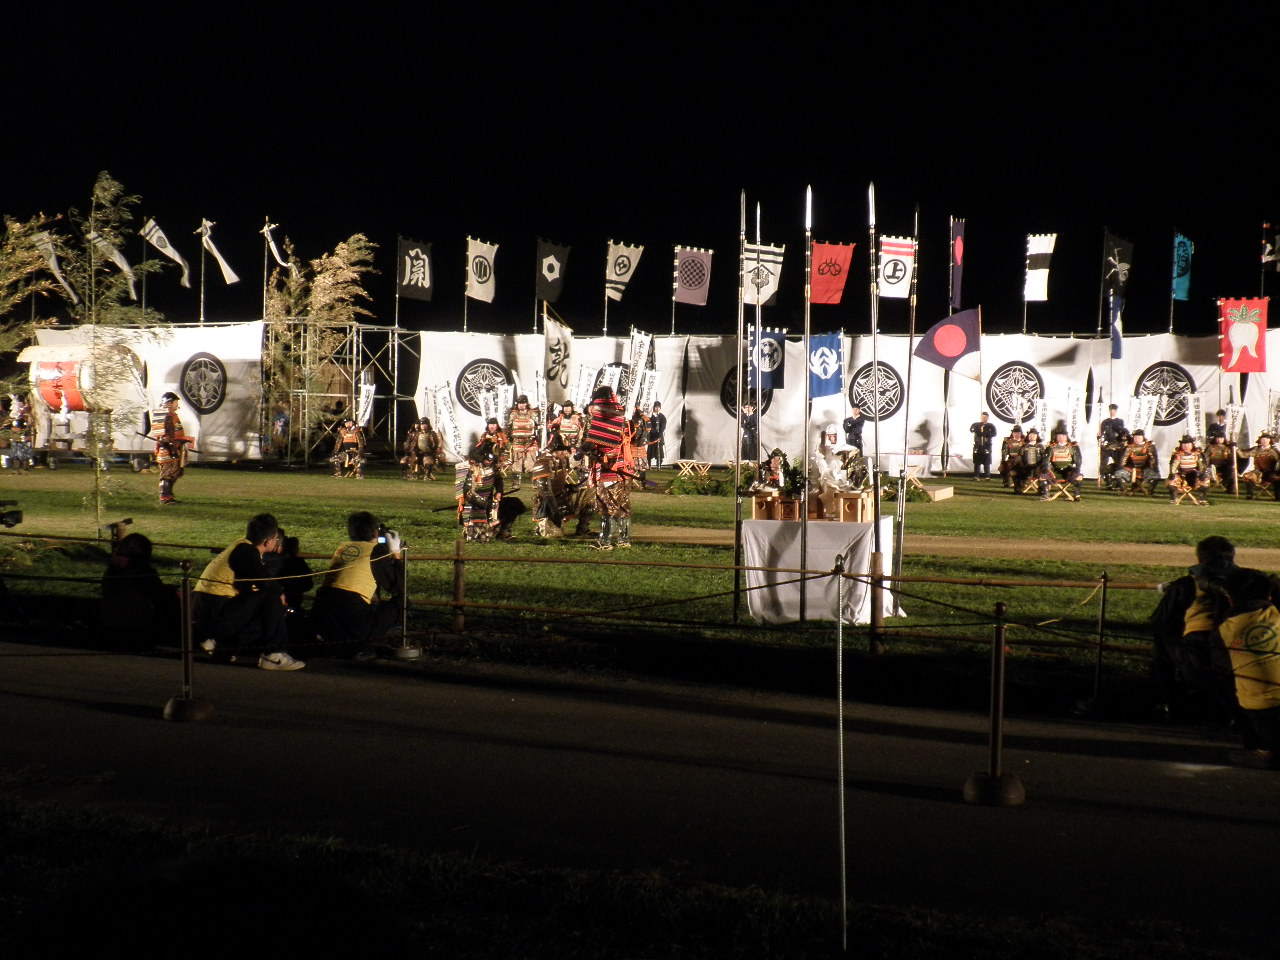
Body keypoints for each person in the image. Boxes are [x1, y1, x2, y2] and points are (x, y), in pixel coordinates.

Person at [193, 513, 304, 670]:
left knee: (268, 608)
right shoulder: (246, 551)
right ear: (268, 541)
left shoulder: (241, 547)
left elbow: (253, 583)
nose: (276, 543)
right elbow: (262, 581)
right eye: (276, 539)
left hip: (208, 609)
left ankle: (224, 646)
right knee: (271, 598)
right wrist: (279, 593)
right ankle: (273, 653)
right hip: (215, 612)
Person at [1149, 535, 1239, 723]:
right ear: (1232, 558)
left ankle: (1169, 702)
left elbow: (1161, 621)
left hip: (1199, 650)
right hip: (1240, 647)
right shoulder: (1247, 582)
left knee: (1161, 642)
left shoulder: (1187, 584)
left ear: (1200, 559)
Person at [311, 512, 403, 659]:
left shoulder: (343, 548)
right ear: (376, 532)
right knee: (401, 602)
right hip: (351, 614)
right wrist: (396, 554)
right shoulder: (375, 551)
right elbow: (399, 587)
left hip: (324, 614)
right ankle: (361, 645)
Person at [1218, 566, 1280, 768]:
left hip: (1260, 710)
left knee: (1227, 683)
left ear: (1230, 599)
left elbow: (1221, 668)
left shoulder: (1224, 629)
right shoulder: (1276, 614)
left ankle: (1264, 748)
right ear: (1269, 595)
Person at [99, 533, 179, 649]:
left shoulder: (113, 569)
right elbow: (159, 594)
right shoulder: (141, 572)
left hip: (110, 626)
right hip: (134, 629)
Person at [585, 386, 634, 550]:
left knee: (607, 506)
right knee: (623, 505)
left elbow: (594, 446)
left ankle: (605, 541)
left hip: (610, 471)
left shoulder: (603, 421)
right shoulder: (623, 420)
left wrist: (585, 449)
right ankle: (624, 540)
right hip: (625, 470)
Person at [151, 391, 194, 504]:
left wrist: (181, 441)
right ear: (170, 402)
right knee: (167, 474)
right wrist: (171, 448)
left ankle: (169, 496)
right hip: (167, 450)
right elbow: (162, 437)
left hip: (174, 448)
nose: (177, 404)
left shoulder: (171, 415)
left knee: (174, 474)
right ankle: (165, 497)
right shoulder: (164, 415)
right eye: (175, 402)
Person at [506, 395, 540, 492]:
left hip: (530, 442)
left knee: (531, 463)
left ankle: (535, 483)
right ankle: (516, 483)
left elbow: (539, 426)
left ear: (526, 404)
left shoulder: (532, 414)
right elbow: (509, 427)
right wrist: (510, 438)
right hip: (517, 442)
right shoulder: (513, 414)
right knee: (516, 463)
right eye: (519, 403)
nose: (521, 405)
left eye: (523, 403)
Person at [1039, 429, 1082, 501]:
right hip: (1054, 470)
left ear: (1067, 437)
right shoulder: (1051, 447)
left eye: (1063, 436)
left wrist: (1076, 469)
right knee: (1042, 475)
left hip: (1067, 470)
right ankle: (1045, 494)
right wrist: (1047, 469)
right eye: (1058, 436)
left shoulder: (1073, 447)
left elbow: (1078, 460)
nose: (1061, 438)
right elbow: (1046, 461)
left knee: (1079, 476)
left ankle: (1076, 494)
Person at [1167, 435, 1209, 504]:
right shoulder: (1178, 454)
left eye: (1188, 444)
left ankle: (1202, 499)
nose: (1186, 446)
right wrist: (1172, 474)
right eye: (1184, 444)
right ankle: (1174, 499)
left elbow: (1202, 465)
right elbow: (1173, 465)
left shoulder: (1197, 454)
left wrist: (1202, 473)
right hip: (1182, 475)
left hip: (1194, 474)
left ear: (1192, 445)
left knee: (1205, 482)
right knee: (1171, 482)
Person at [1118, 429, 1159, 496]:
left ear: (1143, 437)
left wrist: (1152, 468)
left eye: (1139, 437)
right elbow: (1124, 459)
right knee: (1118, 474)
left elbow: (1153, 459)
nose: (1137, 439)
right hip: (1132, 469)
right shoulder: (1130, 447)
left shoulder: (1149, 446)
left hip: (1145, 469)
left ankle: (1150, 491)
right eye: (1135, 437)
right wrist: (1124, 467)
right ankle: (1124, 490)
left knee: (1156, 476)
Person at [1240, 432, 1280, 501]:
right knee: (1248, 476)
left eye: (1266, 439)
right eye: (1263, 439)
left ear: (1270, 441)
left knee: (1277, 478)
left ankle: (1278, 497)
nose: (1264, 441)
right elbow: (1243, 455)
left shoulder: (1274, 451)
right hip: (1258, 471)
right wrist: (1235, 448)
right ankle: (1250, 495)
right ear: (1260, 441)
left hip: (1270, 472)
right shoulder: (1256, 450)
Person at [401, 416, 442, 480]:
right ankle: (407, 475)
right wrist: (409, 450)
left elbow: (435, 444)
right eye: (422, 424)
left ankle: (427, 476)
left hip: (427, 454)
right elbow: (408, 444)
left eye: (425, 424)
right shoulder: (415, 434)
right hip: (415, 453)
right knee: (404, 461)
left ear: (428, 425)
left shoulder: (431, 434)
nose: (423, 426)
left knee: (429, 462)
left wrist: (431, 451)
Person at [1097, 404, 1127, 479]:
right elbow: (1101, 433)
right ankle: (1103, 477)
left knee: (1119, 463)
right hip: (1107, 445)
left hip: (1117, 445)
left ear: (1116, 411)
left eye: (1114, 410)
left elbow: (1122, 432)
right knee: (1103, 463)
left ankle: (1117, 477)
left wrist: (1123, 439)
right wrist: (1100, 438)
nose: (1112, 412)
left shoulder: (1120, 421)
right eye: (1111, 410)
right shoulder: (1105, 422)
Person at [970, 412, 996, 480]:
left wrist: (987, 433)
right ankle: (976, 476)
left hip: (987, 446)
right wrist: (978, 431)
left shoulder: (990, 426)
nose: (983, 418)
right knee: (977, 462)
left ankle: (987, 476)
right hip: (978, 446)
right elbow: (971, 430)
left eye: (985, 417)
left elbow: (994, 433)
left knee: (987, 462)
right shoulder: (976, 425)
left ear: (987, 418)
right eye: (982, 417)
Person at [647, 402, 667, 468]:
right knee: (650, 450)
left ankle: (659, 465)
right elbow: (649, 425)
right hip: (652, 435)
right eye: (656, 407)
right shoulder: (650, 416)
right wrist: (654, 431)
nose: (657, 409)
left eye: (658, 407)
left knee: (659, 451)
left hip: (659, 435)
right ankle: (649, 465)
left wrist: (660, 433)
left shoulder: (662, 416)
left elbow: (663, 426)